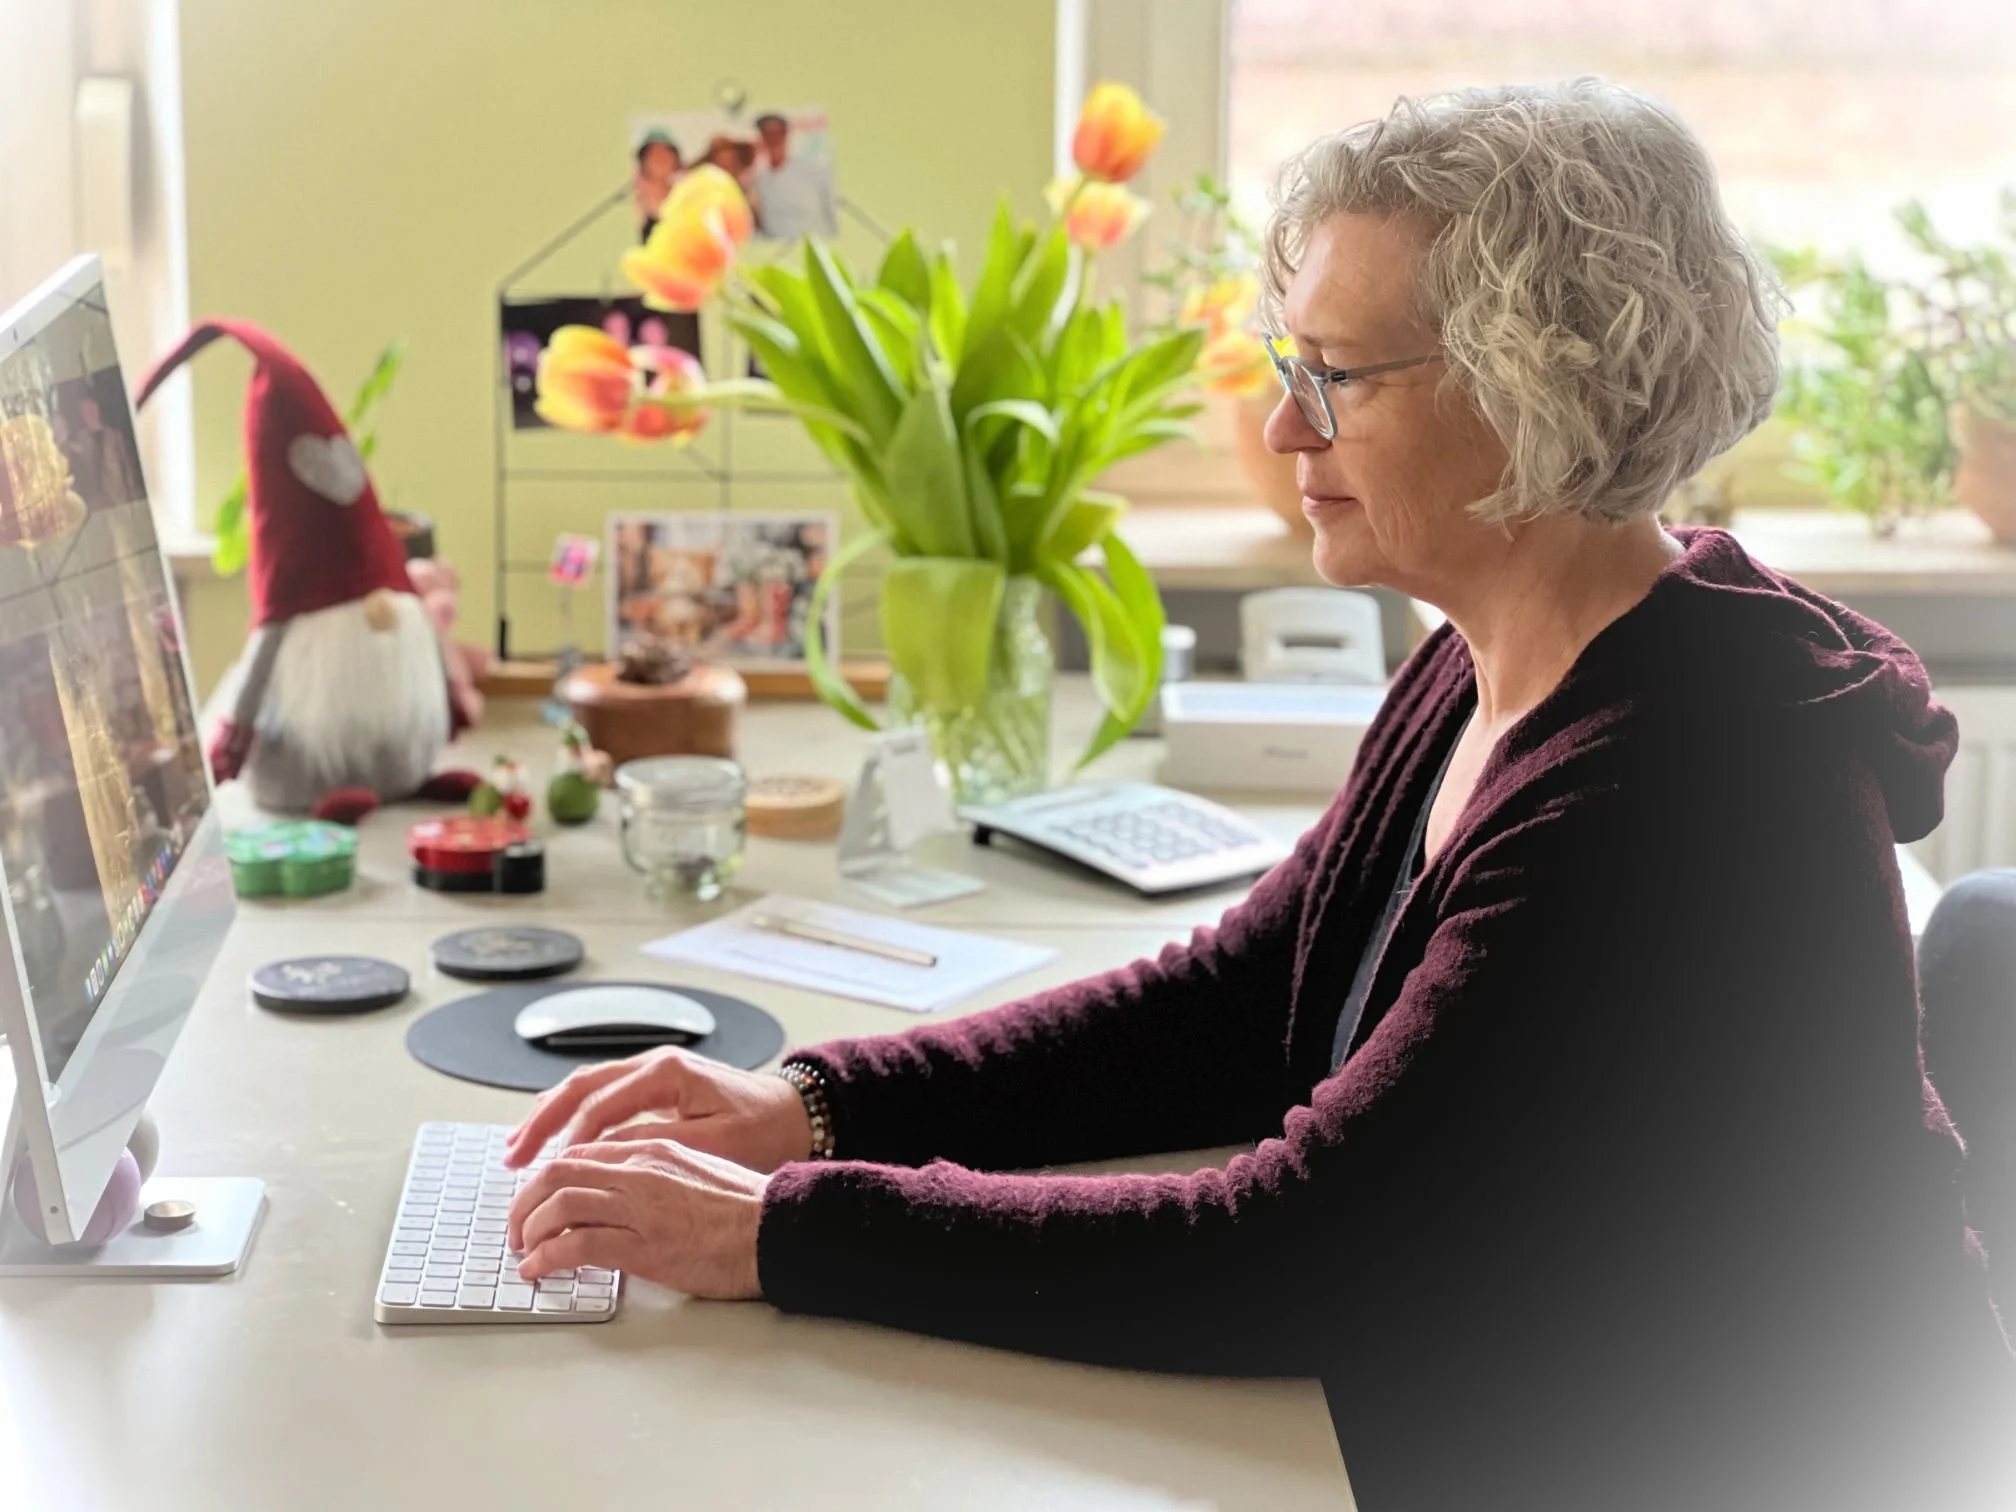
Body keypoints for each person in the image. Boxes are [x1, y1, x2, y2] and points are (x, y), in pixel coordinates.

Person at [503, 80, 2014, 1509]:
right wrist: (815, 1105)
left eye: (1336, 379)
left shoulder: (1676, 784)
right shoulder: (1494, 647)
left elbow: (1301, 1255)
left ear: (1539, 383)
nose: (1288, 430)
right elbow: (1245, 997)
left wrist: (783, 1234)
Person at [748, 111, 836, 240]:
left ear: (786, 135)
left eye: (778, 133)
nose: (773, 139)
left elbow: (832, 212)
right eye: (767, 134)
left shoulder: (814, 171)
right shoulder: (758, 180)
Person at [631, 129, 682, 241]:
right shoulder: (635, 199)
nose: (660, 158)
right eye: (654, 153)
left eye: (666, 153)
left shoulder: (685, 194)